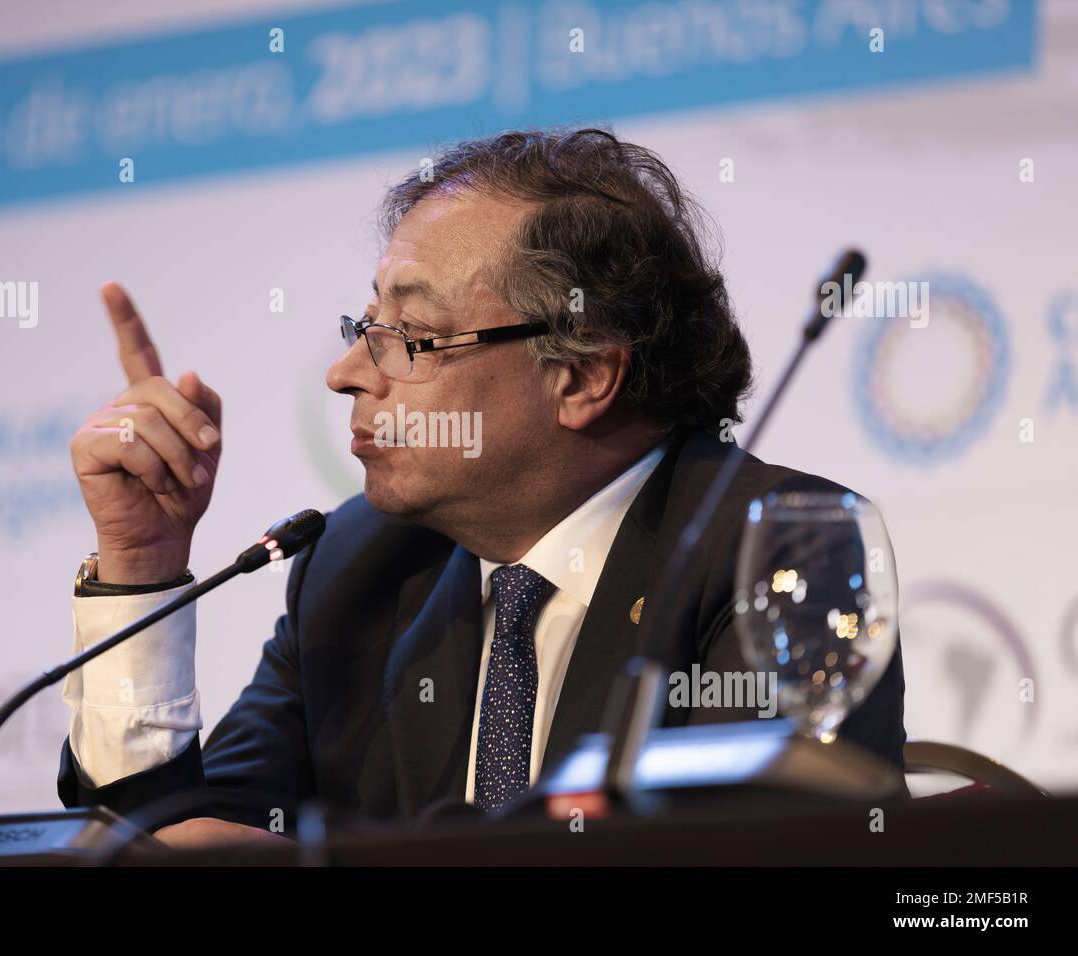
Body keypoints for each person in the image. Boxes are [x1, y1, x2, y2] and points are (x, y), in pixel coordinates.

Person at [57, 128, 906, 848]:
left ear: (580, 377)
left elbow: (758, 859)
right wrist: (143, 560)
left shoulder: (774, 551)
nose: (347, 373)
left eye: (411, 337)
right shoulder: (360, 567)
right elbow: (178, 838)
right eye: (366, 326)